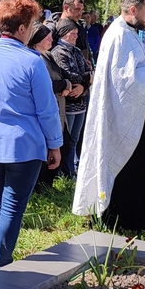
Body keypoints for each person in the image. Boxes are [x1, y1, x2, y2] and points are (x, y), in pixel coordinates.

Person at [0, 0, 63, 274]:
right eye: (33, 24)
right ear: (22, 28)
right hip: (23, 146)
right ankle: (1, 264)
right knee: (11, 204)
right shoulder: (31, 61)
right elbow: (47, 110)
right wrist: (56, 144)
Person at [73, 0, 145, 233]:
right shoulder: (119, 35)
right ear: (133, 10)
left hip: (135, 112)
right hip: (123, 115)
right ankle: (125, 219)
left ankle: (137, 216)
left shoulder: (129, 32)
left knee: (137, 166)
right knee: (126, 166)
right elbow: (124, 79)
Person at [28, 23, 71, 190]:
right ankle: (41, 187)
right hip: (47, 109)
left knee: (65, 145)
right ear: (38, 40)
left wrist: (66, 83)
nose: (52, 39)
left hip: (59, 109)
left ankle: (47, 185)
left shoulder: (48, 55)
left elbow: (62, 75)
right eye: (47, 38)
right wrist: (65, 84)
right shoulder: (35, 59)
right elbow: (48, 84)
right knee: (50, 150)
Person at [51, 18, 90, 179]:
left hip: (80, 100)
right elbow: (69, 75)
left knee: (75, 139)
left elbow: (87, 70)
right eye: (72, 33)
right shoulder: (59, 52)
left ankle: (71, 170)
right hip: (68, 103)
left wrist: (83, 85)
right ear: (64, 34)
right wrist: (86, 79)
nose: (75, 36)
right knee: (66, 140)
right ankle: (65, 173)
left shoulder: (76, 51)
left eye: (76, 33)